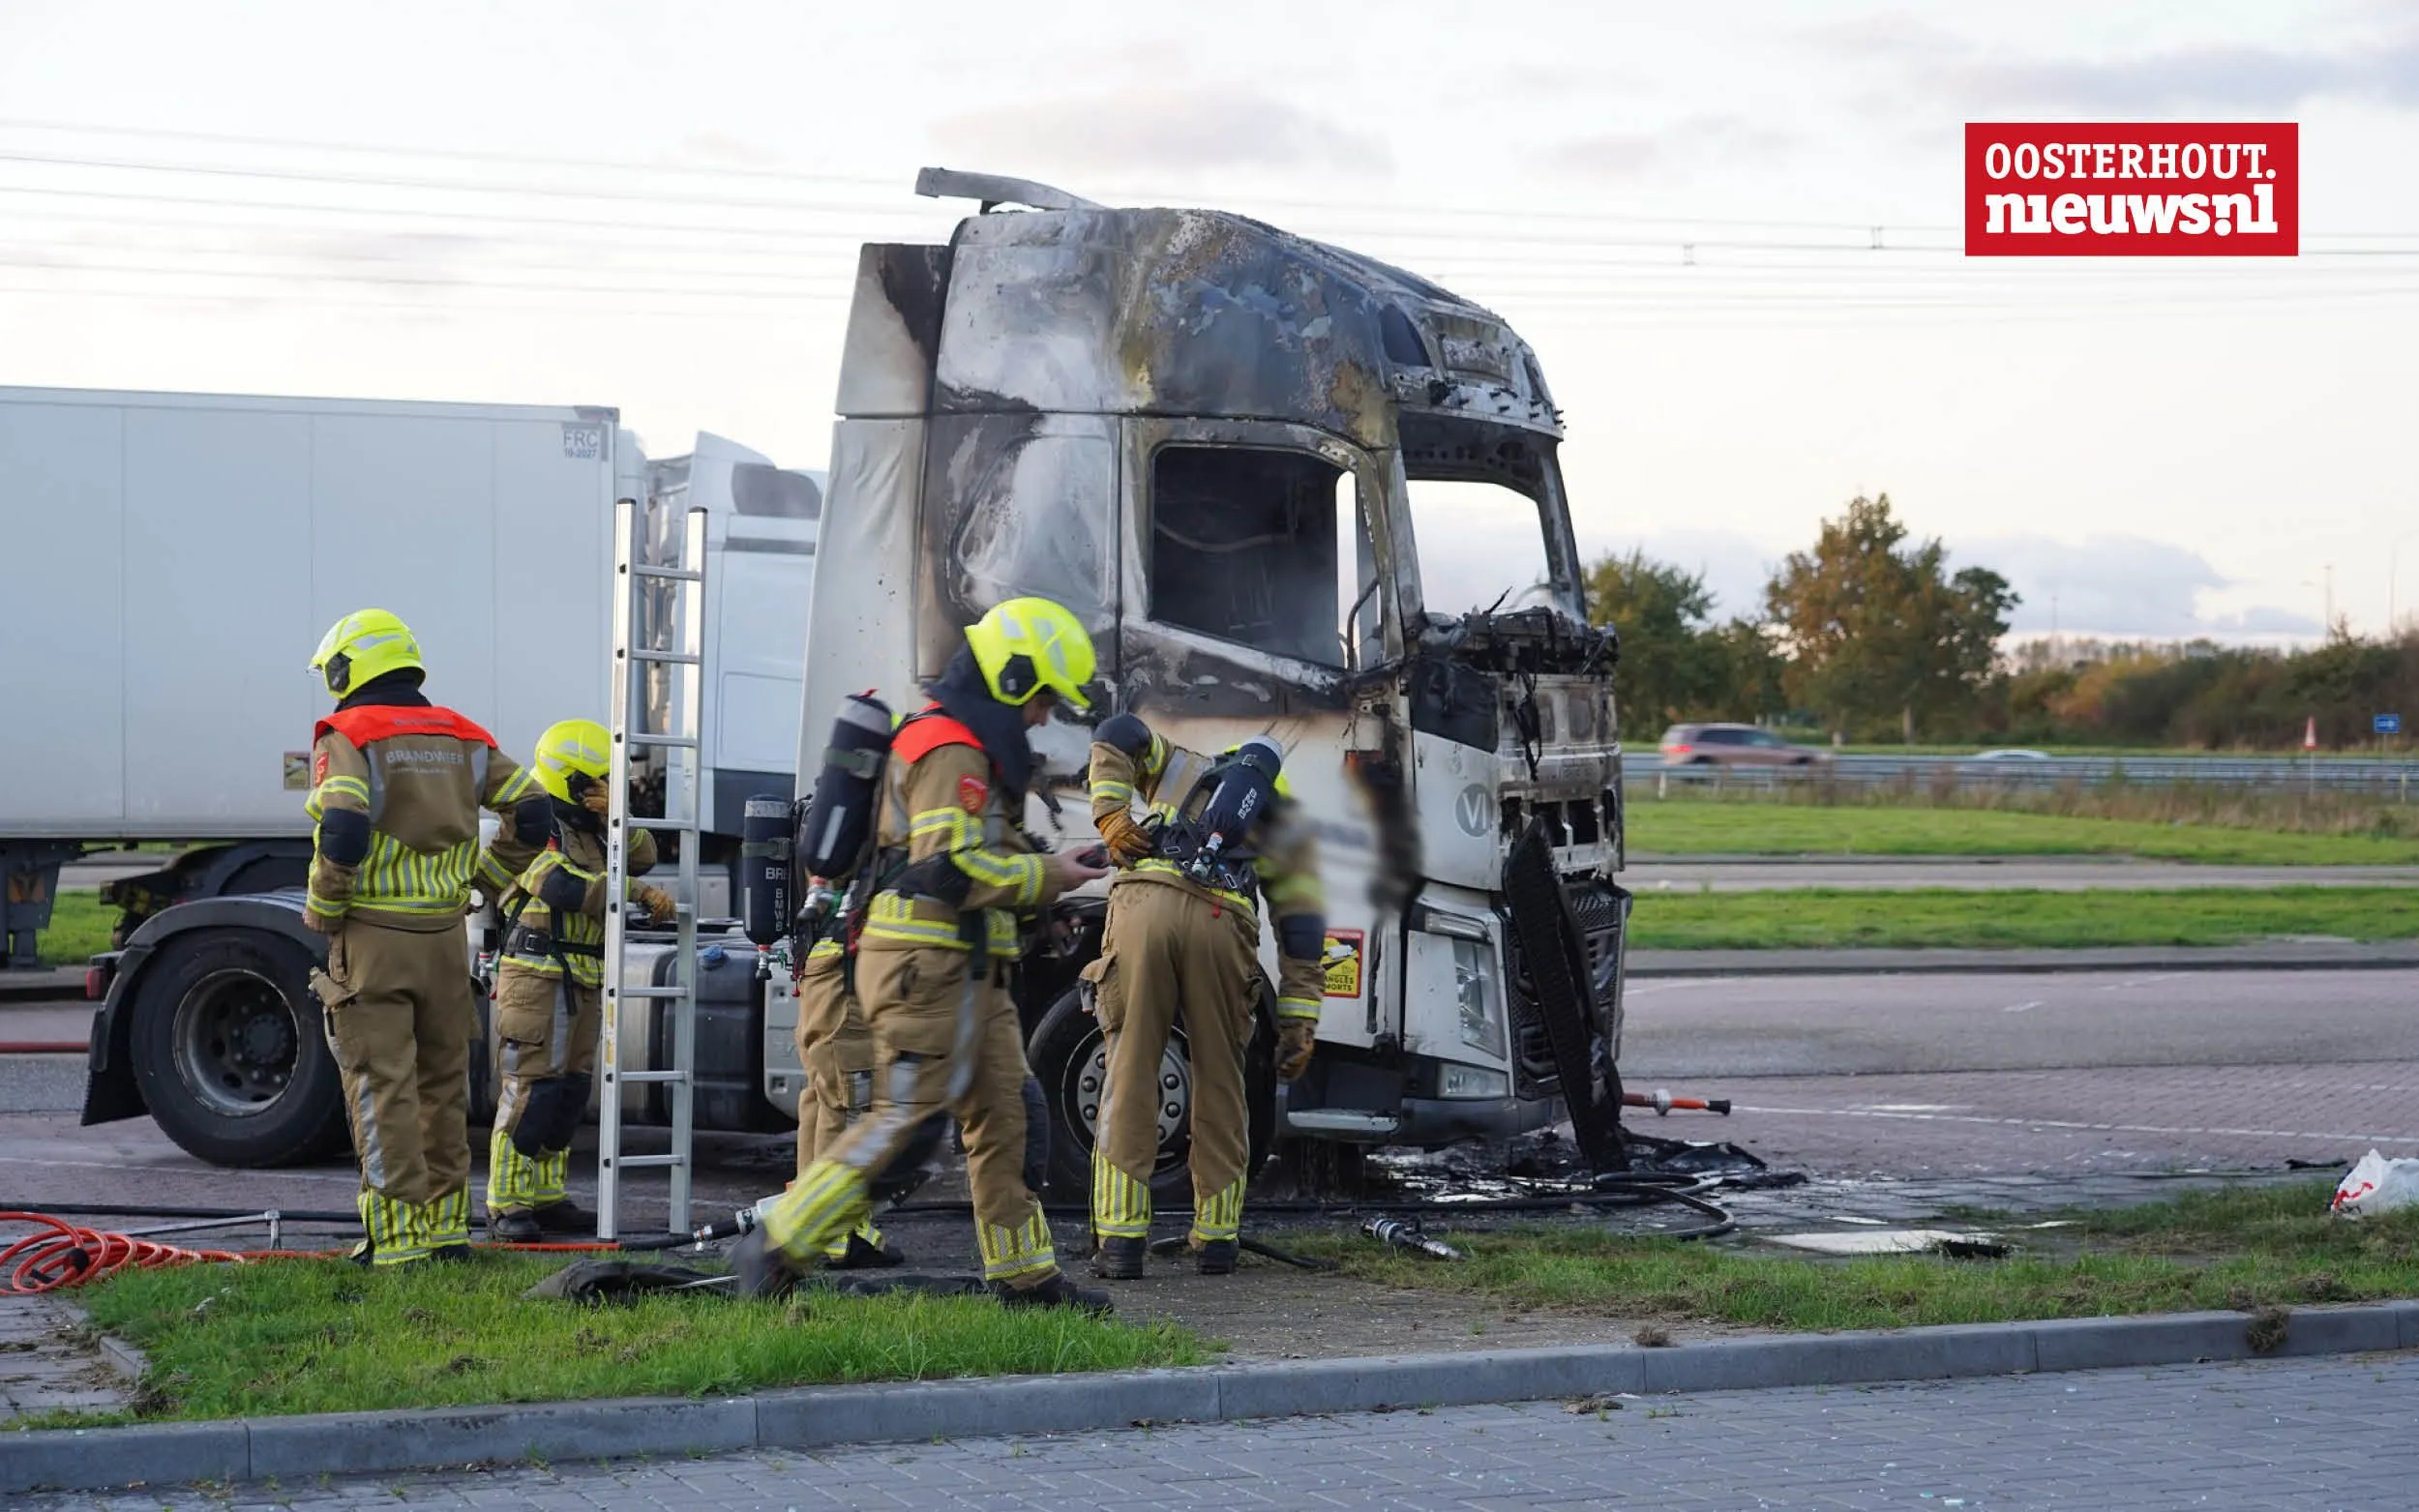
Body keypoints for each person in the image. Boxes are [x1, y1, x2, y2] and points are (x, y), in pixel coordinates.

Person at [733, 598, 1112, 1308]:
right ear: (1012, 680)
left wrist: (1044, 904)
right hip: (924, 969)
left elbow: (981, 863)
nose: (1042, 718)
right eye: (1042, 700)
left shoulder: (970, 748)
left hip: (969, 973)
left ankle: (1026, 1278)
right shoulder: (949, 749)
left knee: (1008, 1116)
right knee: (905, 1125)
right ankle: (781, 1241)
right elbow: (947, 868)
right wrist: (1050, 875)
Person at [302, 608, 541, 1266]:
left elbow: (344, 826)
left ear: (348, 668)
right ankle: (446, 1231)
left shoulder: (348, 734)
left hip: (373, 938)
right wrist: (485, 881)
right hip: (444, 938)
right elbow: (534, 810)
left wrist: (324, 905)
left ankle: (399, 1239)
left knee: (382, 1087)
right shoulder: (463, 734)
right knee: (442, 1085)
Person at [1082, 722, 1324, 1278]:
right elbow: (1303, 928)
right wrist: (1298, 1022)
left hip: (1147, 908)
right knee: (1221, 1080)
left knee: (1131, 1068)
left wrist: (1112, 816)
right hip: (1224, 922)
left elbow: (1117, 733)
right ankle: (1216, 1241)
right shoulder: (1285, 823)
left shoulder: (1181, 764)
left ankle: (1120, 1242)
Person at [479, 719, 675, 1243]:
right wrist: (635, 892)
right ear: (570, 782)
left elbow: (644, 855)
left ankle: (546, 1195)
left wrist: (617, 815)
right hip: (537, 974)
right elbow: (561, 886)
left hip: (584, 975)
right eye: (597, 782)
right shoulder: (532, 826)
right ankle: (507, 1200)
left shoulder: (596, 828)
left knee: (569, 1094)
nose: (605, 790)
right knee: (532, 1090)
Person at [785, 927, 897, 1266]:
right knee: (846, 1103)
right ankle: (839, 1234)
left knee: (820, 1097)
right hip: (845, 971)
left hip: (819, 966)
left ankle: (808, 1224)